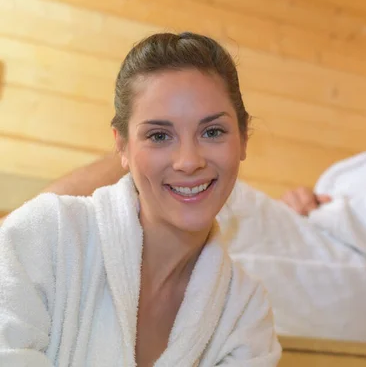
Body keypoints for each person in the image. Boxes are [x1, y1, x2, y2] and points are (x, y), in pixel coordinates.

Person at [2, 13, 366, 344]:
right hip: (328, 252)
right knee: (171, 180)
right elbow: (348, 208)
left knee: (212, 196)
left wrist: (326, 211)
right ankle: (18, 246)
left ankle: (14, 248)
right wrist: (305, 203)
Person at [0, 33, 281, 366]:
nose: (189, 161)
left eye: (213, 132)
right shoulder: (45, 236)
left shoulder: (246, 312)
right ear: (122, 146)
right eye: (159, 136)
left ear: (244, 138)